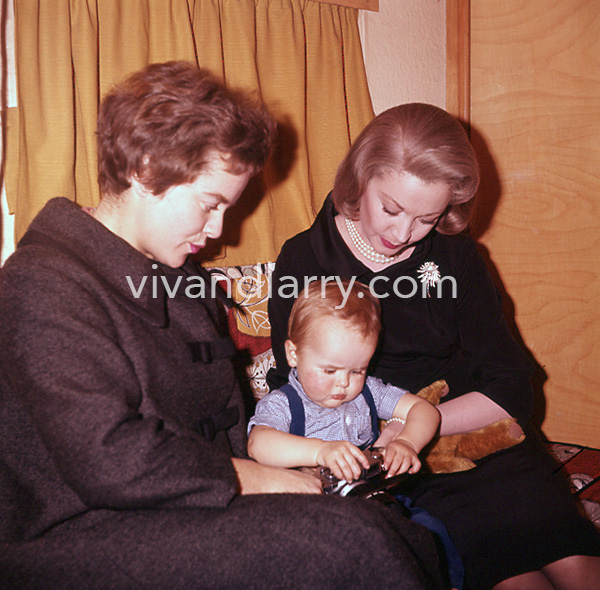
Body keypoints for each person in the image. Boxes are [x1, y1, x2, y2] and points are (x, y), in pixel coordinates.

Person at [0, 63, 446, 589]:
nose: (217, 231)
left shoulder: (178, 278)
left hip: (179, 503)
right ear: (145, 169)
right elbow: (110, 459)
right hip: (74, 530)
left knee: (394, 529)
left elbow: (224, 423)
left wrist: (287, 475)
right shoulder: (39, 285)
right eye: (210, 204)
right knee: (346, 541)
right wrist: (258, 479)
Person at [267, 102, 600, 590]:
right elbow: (294, 391)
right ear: (361, 178)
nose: (403, 235)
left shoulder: (455, 254)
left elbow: (510, 388)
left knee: (575, 564)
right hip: (392, 466)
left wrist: (414, 425)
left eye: (427, 217)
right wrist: (386, 443)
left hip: (480, 436)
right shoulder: (304, 258)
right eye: (392, 209)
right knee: (516, 580)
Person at [249, 280, 465, 590]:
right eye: (329, 371)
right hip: (308, 513)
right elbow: (259, 444)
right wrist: (320, 451)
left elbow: (425, 411)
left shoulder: (367, 392)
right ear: (293, 354)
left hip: (375, 499)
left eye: (357, 370)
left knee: (430, 533)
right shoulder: (283, 404)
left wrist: (406, 442)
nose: (344, 384)